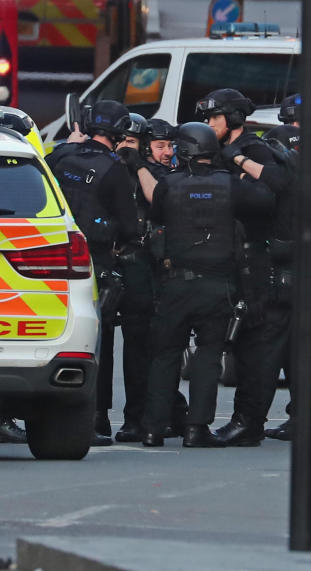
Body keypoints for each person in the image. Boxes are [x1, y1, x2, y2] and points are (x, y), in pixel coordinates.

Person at [139, 122, 275, 448]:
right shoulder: (230, 185)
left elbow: (154, 210)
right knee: (208, 356)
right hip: (217, 286)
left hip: (175, 283)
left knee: (165, 355)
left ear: (184, 150)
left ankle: (153, 429)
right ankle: (196, 429)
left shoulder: (169, 185)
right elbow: (267, 199)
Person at [218, 123, 311, 444]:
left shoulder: (287, 181)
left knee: (261, 352)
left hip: (284, 283)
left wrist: (236, 162)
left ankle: (248, 423)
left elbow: (269, 188)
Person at [46, 99, 140, 446]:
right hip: (94, 264)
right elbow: (129, 227)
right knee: (96, 345)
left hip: (50, 262)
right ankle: (95, 420)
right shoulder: (113, 169)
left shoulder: (59, 156)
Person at [112, 114, 190, 442]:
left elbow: (160, 198)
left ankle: (170, 412)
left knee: (165, 345)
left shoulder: (163, 175)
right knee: (138, 346)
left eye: (171, 145)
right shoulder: (123, 173)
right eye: (161, 146)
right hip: (137, 267)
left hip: (165, 270)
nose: (168, 152)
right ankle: (137, 417)